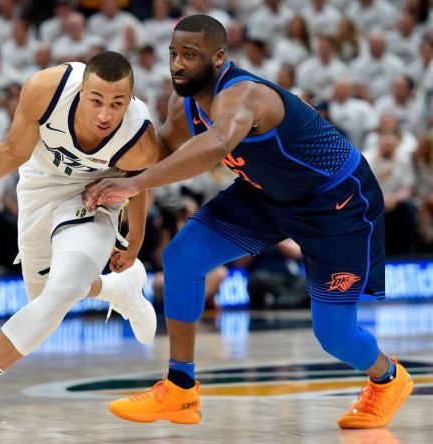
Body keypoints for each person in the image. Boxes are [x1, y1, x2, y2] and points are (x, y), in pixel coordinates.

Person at [83, 15, 413, 429]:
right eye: (174, 54)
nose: (178, 64)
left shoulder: (245, 96)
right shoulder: (183, 105)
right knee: (182, 257)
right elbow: (155, 154)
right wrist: (101, 164)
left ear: (219, 57)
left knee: (334, 335)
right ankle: (180, 389)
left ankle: (388, 378)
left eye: (190, 55)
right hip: (267, 196)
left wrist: (134, 184)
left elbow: (216, 144)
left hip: (337, 203)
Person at [0, 51, 159, 440]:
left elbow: (140, 185)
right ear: (81, 90)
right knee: (45, 300)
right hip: (38, 190)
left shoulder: (139, 136)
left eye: (117, 103)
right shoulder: (47, 89)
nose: (105, 114)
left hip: (94, 197)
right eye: (96, 100)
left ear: (130, 99)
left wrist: (135, 241)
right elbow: (10, 154)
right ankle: (117, 289)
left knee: (60, 294)